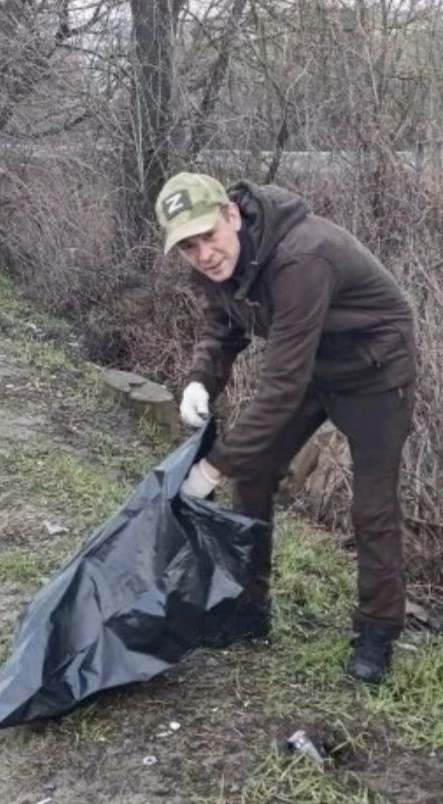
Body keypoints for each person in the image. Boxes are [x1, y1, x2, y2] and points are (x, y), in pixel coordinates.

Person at [156, 172, 417, 684]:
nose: (204, 254)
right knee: (253, 471)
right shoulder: (218, 264)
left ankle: (378, 628)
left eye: (208, 235)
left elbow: (280, 388)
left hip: (374, 369)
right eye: (188, 246)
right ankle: (250, 605)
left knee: (372, 506)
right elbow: (222, 325)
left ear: (231, 215)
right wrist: (199, 380)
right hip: (312, 366)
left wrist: (211, 468)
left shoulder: (302, 256)